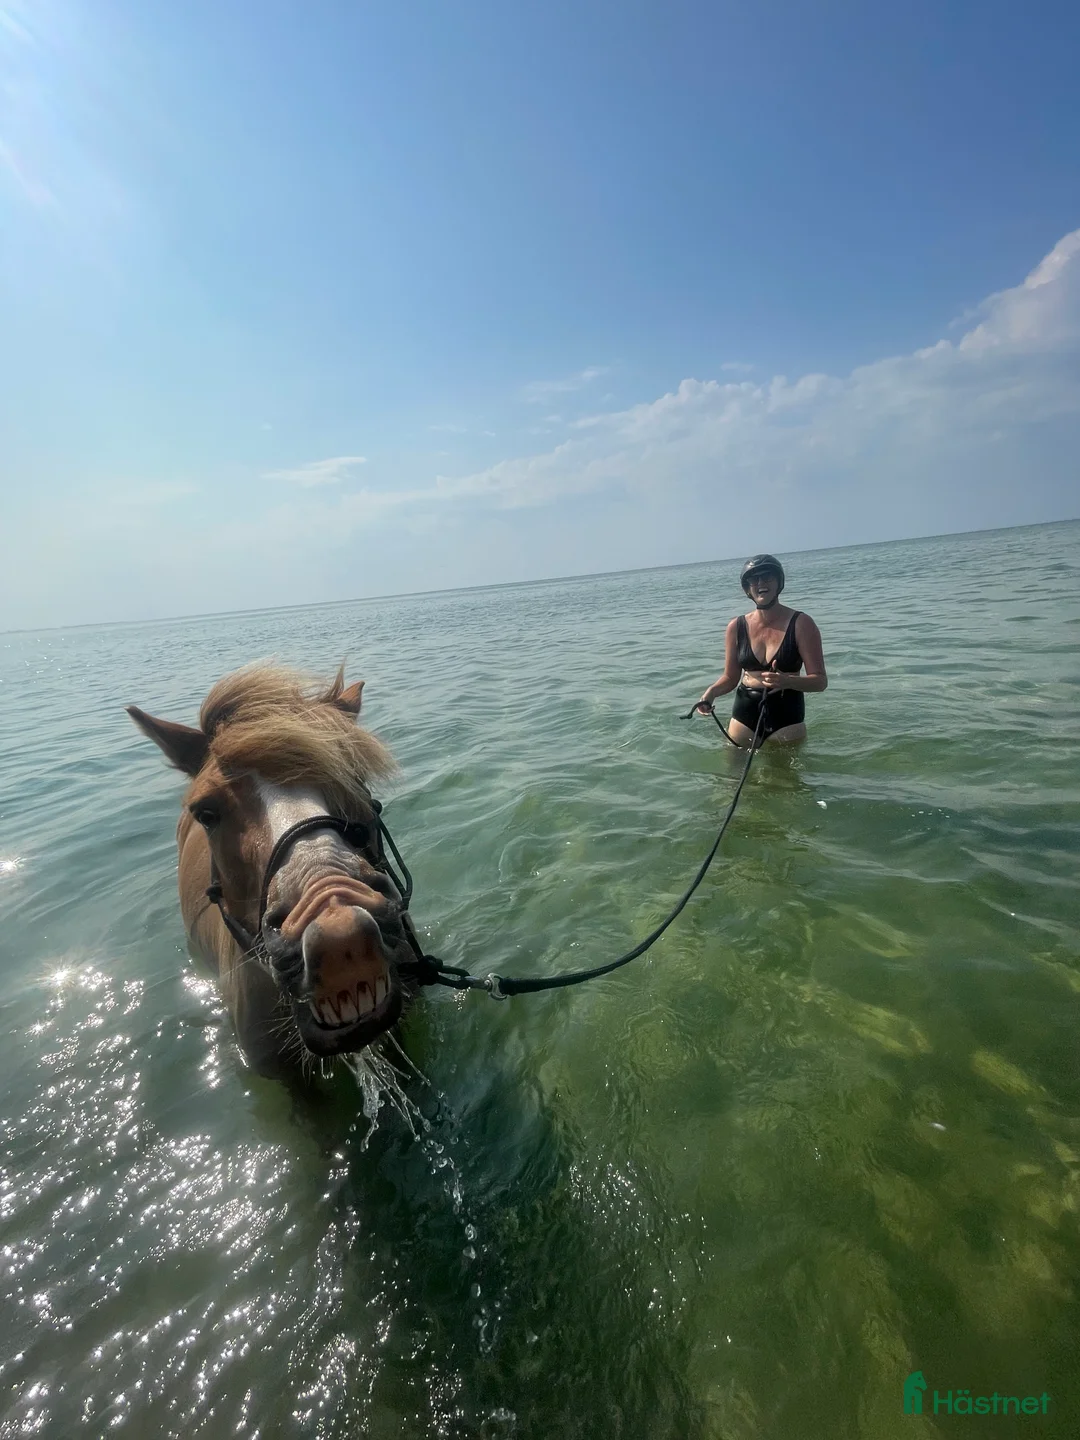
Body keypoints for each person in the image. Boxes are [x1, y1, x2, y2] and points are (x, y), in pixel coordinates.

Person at [695, 554, 827, 746]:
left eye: (767, 577)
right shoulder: (736, 627)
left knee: (784, 776)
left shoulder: (802, 624)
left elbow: (820, 682)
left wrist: (787, 681)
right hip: (743, 716)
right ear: (747, 588)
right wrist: (711, 692)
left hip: (787, 717)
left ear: (779, 582)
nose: (760, 583)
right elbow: (731, 678)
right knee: (732, 775)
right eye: (753, 579)